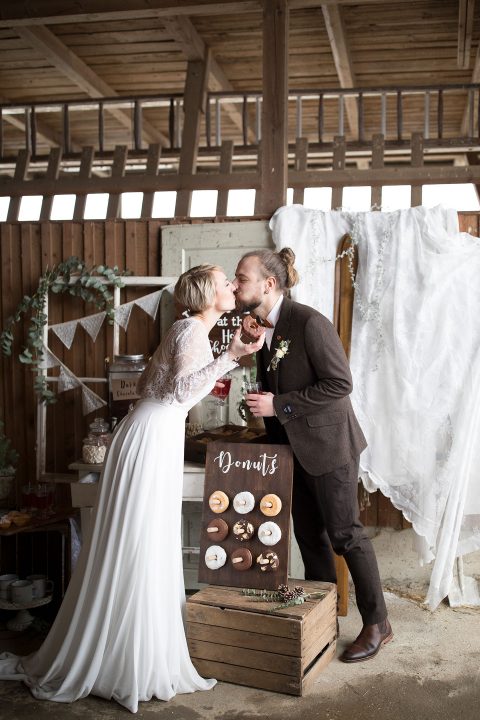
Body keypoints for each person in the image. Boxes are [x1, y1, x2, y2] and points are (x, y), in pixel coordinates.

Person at [0, 264, 264, 713]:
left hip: (148, 432)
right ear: (207, 294)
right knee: (138, 542)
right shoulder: (192, 333)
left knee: (140, 541)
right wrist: (232, 354)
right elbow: (180, 392)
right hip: (151, 436)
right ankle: (124, 659)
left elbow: (149, 385)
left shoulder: (187, 329)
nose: (232, 287)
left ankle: (128, 648)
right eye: (225, 283)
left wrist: (227, 353)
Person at [234, 248, 393, 663]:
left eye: (241, 278)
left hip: (329, 448)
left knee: (346, 535)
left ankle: (378, 624)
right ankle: (323, 621)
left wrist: (279, 405)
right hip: (291, 451)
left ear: (269, 284)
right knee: (309, 538)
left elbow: (340, 384)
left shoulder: (309, 322)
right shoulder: (266, 326)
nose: (235, 286)